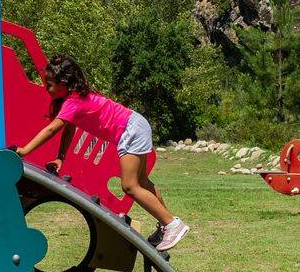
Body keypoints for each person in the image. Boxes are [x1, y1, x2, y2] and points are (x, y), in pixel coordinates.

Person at [14, 54, 189, 251]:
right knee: (142, 183)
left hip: (129, 130)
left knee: (130, 186)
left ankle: (173, 225)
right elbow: (69, 129)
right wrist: (61, 157)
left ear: (64, 83)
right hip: (135, 124)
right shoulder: (76, 98)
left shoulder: (74, 101)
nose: (47, 88)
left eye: (49, 84)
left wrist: (24, 150)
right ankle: (167, 225)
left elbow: (51, 129)